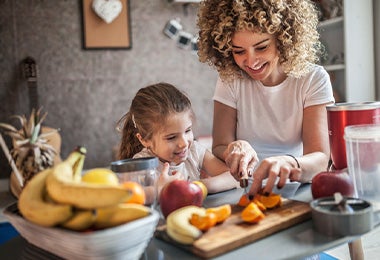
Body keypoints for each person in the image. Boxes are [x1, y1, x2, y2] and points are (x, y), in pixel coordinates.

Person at [197, 0, 335, 197]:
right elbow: (219, 146)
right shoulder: (230, 79)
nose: (251, 61)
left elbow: (320, 159)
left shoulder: (313, 79)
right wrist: (233, 149)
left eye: (261, 47)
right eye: (239, 51)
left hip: (293, 185)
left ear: (284, 39)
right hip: (242, 188)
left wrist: (288, 162)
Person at [116, 82, 239, 195]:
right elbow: (126, 196)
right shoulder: (141, 164)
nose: (183, 143)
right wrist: (160, 189)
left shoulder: (194, 151)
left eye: (187, 131)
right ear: (144, 140)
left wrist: (199, 186)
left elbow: (234, 178)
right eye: (171, 137)